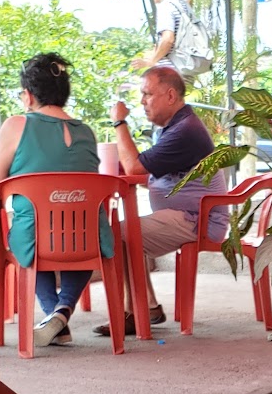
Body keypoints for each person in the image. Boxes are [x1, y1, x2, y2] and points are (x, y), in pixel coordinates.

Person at [0, 52, 104, 348]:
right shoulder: (86, 132)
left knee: (33, 232)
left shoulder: (16, 125)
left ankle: (55, 316)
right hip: (86, 240)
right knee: (76, 230)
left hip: (35, 239)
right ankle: (61, 313)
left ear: (28, 95)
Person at [96, 64, 226, 338]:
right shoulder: (172, 127)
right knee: (125, 232)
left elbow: (134, 167)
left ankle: (136, 314)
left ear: (170, 96)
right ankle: (147, 308)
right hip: (185, 215)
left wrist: (119, 123)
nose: (142, 101)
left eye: (147, 94)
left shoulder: (185, 131)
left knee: (118, 233)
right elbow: (148, 170)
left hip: (197, 219)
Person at [131, 0, 196, 81]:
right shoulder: (183, 5)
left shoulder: (166, 6)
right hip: (187, 72)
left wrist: (151, 61)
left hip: (170, 75)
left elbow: (168, 39)